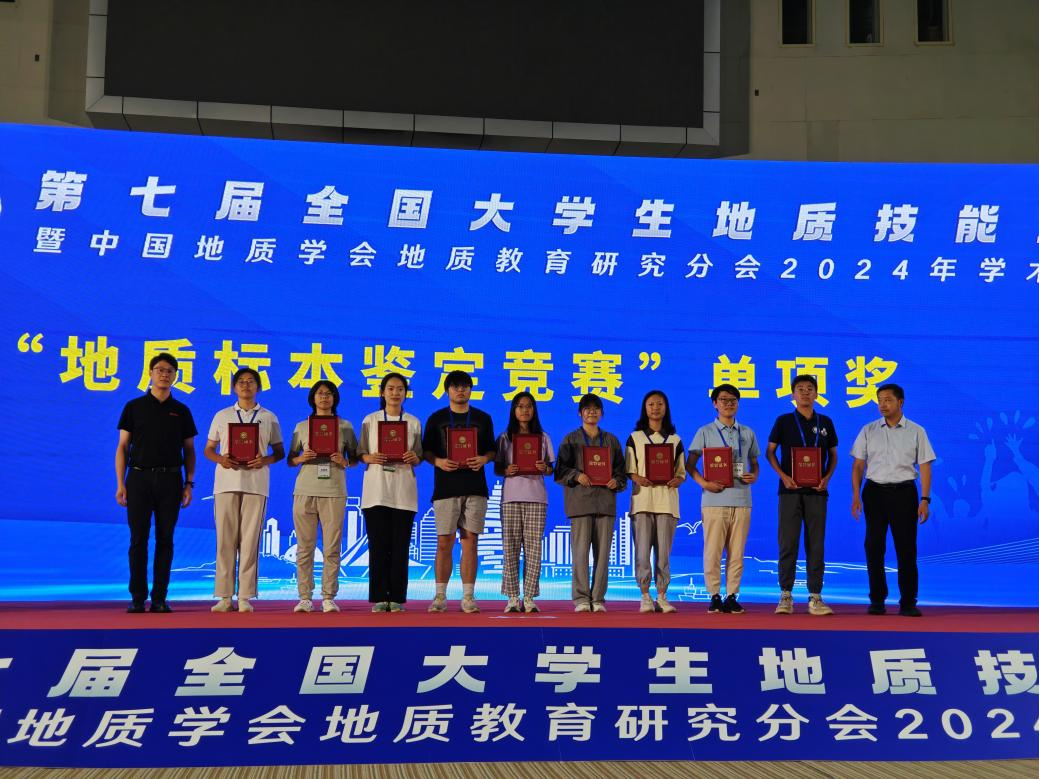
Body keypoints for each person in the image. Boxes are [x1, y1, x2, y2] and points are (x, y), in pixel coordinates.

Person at [115, 352, 197, 613]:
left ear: (175, 376)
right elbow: (122, 447)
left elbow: (189, 451)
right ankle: (137, 597)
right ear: (150, 373)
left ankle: (160, 597)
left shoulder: (181, 411)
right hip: (138, 478)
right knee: (138, 539)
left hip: (171, 479)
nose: (164, 374)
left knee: (166, 539)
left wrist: (189, 484)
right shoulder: (134, 407)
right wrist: (121, 483)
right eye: (160, 369)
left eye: (170, 370)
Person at [851, 383, 936, 617]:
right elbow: (858, 466)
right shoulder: (868, 430)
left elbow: (925, 466)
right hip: (874, 492)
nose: (883, 405)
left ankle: (908, 602)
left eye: (888, 400)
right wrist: (856, 495)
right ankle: (877, 600)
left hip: (904, 493)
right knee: (873, 546)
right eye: (880, 400)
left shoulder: (916, 431)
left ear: (901, 402)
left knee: (906, 548)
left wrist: (925, 499)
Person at [203, 368, 284, 613]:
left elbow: (279, 452)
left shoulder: (268, 417)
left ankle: (246, 596)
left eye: (250, 382)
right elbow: (208, 449)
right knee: (225, 540)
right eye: (241, 382)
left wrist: (264, 460)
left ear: (258, 387)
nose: (245, 385)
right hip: (225, 483)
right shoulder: (222, 415)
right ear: (233, 387)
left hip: (256, 484)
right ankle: (225, 596)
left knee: (250, 541)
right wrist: (222, 459)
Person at [422, 370, 495, 614]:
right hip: (446, 488)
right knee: (444, 542)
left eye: (465, 386)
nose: (460, 390)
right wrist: (439, 462)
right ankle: (440, 596)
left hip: (475, 488)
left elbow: (492, 450)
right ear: (447, 391)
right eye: (455, 386)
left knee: (470, 542)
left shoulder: (483, 418)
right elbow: (426, 451)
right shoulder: (437, 418)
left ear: (471, 390)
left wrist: (483, 459)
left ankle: (468, 597)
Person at [765, 374, 839, 616]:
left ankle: (815, 596)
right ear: (792, 395)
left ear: (816, 393)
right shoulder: (783, 421)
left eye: (810, 388)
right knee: (788, 543)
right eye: (800, 389)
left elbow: (833, 455)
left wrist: (827, 478)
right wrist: (783, 476)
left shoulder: (825, 422)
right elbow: (770, 452)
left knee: (816, 544)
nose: (805, 392)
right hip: (789, 491)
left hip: (817, 492)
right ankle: (786, 595)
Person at [286, 380, 358, 614]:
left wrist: (343, 461)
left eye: (329, 393)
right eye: (320, 393)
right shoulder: (302, 426)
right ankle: (305, 597)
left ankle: (328, 596)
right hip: (305, 490)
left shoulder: (345, 426)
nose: (324, 397)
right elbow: (290, 459)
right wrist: (302, 458)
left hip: (334, 491)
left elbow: (355, 458)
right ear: (313, 398)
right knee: (304, 547)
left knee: (332, 547)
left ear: (335, 398)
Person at [688, 384, 760, 615]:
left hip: (742, 499)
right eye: (723, 400)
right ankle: (714, 595)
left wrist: (754, 475)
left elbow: (755, 463)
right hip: (714, 499)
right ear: (715, 404)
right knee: (713, 551)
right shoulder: (705, 431)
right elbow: (690, 465)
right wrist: (704, 483)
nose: (728, 404)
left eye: (733, 400)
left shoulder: (747, 432)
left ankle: (732, 596)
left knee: (737, 552)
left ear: (738, 403)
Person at [555, 393, 627, 613]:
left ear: (602, 413)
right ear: (580, 413)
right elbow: (559, 471)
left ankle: (598, 599)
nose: (592, 412)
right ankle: (581, 598)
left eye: (596, 409)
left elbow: (622, 472)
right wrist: (576, 475)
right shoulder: (570, 439)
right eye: (587, 409)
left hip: (605, 503)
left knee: (603, 555)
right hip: (580, 504)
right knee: (580, 554)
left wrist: (617, 481)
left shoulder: (611, 441)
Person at [357, 373, 423, 613]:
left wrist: (414, 457)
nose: (395, 393)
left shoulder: (413, 422)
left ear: (406, 393)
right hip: (376, 491)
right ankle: (378, 597)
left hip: (404, 491)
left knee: (400, 547)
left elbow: (419, 455)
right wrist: (370, 457)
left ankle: (396, 597)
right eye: (391, 388)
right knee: (378, 546)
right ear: (382, 392)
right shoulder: (370, 420)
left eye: (400, 389)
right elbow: (360, 453)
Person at [494, 392, 555, 613]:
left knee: (533, 549)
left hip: (536, 498)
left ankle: (529, 597)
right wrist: (506, 470)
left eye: (529, 406)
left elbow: (551, 469)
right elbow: (497, 468)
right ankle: (512, 597)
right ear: (514, 410)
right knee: (510, 548)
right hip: (511, 498)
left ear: (534, 410)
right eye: (520, 406)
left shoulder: (543, 437)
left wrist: (544, 468)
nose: (525, 410)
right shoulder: (505, 438)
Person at [626, 390, 686, 614]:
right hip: (642, 501)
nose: (655, 408)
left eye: (660, 404)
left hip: (667, 503)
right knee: (642, 552)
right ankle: (644, 596)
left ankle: (662, 596)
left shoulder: (675, 440)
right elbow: (629, 470)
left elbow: (681, 473)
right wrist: (637, 478)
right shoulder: (635, 438)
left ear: (666, 408)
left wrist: (678, 479)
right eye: (651, 404)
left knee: (663, 555)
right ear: (645, 408)